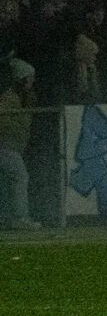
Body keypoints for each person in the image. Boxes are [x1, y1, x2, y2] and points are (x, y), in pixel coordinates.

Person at [0, 56, 41, 230]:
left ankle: (5, 218)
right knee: (20, 176)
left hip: (10, 145)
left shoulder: (20, 97)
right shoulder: (10, 98)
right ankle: (20, 217)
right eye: (30, 78)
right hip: (5, 145)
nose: (32, 81)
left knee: (6, 180)